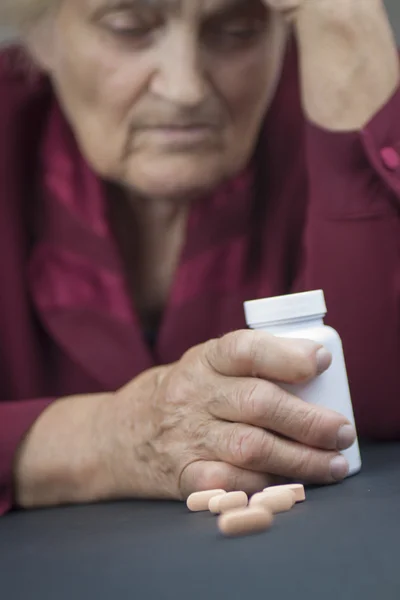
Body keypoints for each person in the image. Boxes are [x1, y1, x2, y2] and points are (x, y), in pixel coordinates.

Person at [0, 0, 399, 516]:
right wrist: (104, 439)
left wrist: (347, 28)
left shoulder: (329, 112)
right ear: (41, 35)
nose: (184, 88)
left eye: (236, 31)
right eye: (129, 29)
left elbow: (366, 416)